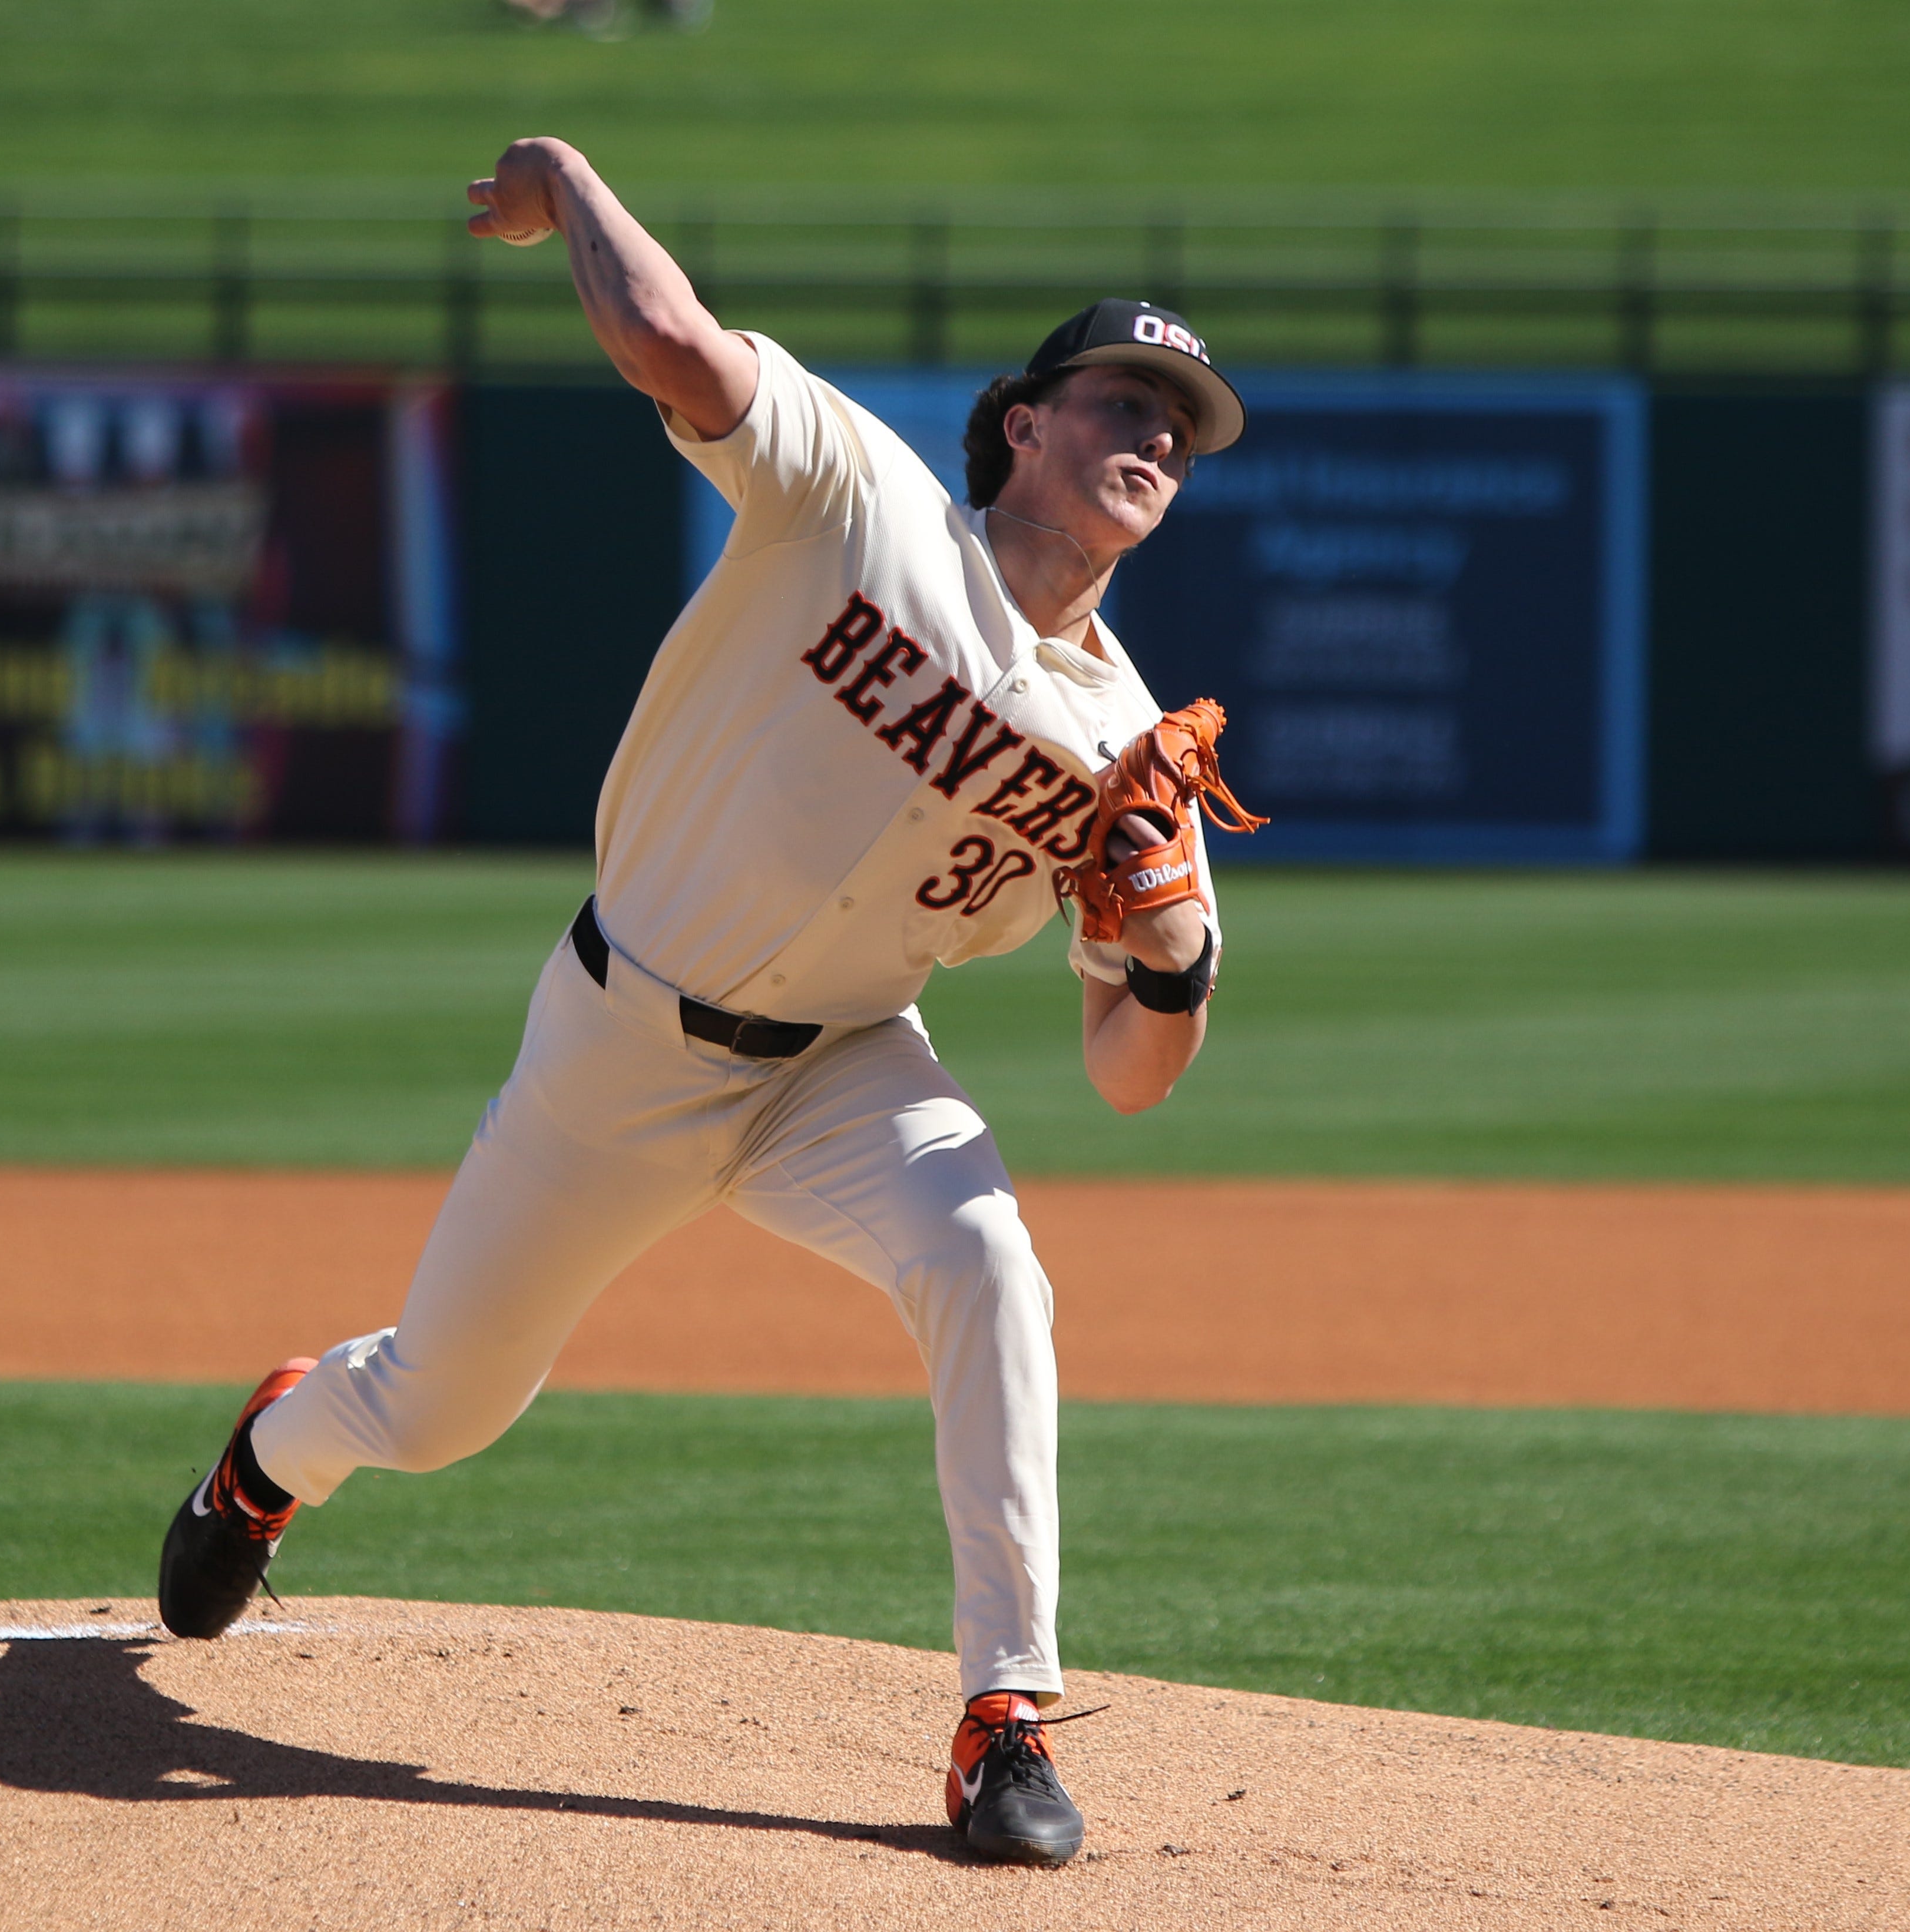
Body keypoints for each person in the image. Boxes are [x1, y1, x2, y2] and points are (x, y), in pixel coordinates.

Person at [158, 136, 1252, 1868]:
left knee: (987, 1259)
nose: (1153, 440)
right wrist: (567, 182)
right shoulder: (862, 498)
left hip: (843, 1068)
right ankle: (269, 1453)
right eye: (1123, 399)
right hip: (619, 1041)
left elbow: (1127, 1072)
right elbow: (671, 342)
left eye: (1178, 430)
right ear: (1023, 423)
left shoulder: (1126, 755)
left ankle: (1003, 1715)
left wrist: (1180, 965)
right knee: (439, 1406)